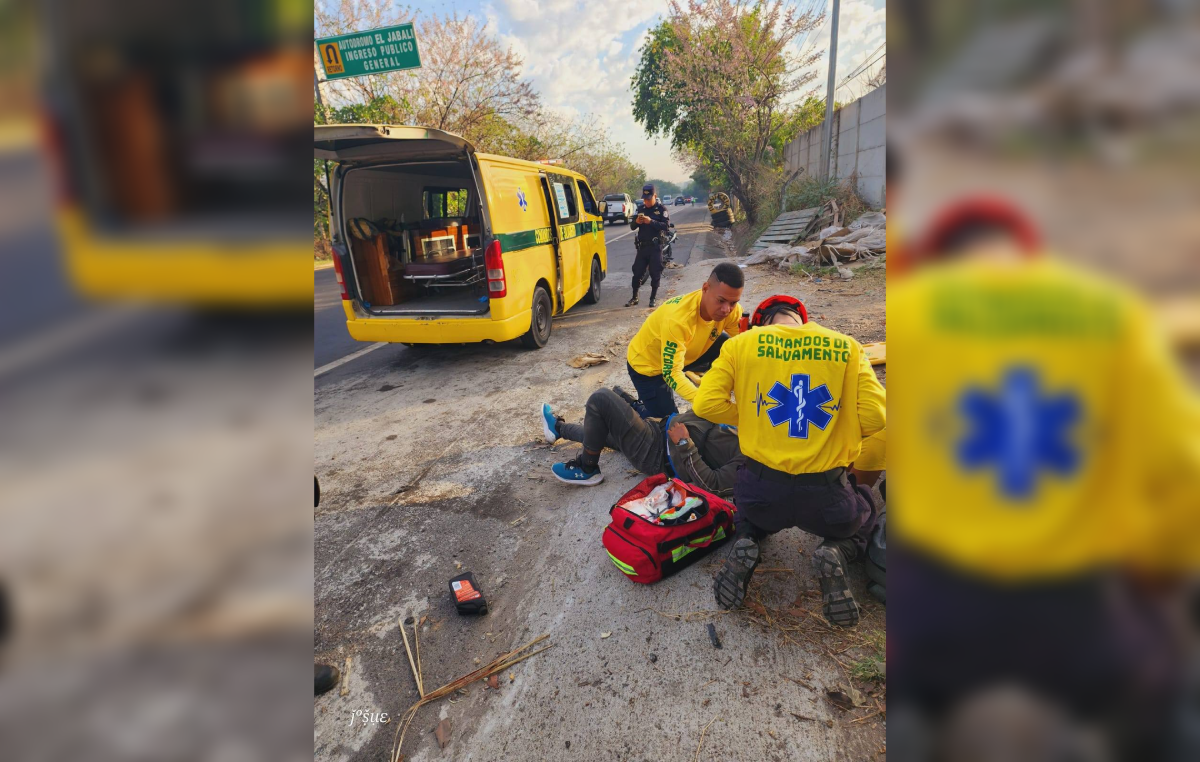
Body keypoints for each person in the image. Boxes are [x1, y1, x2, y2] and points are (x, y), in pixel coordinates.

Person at [693, 295, 887, 626]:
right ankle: (836, 551)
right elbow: (875, 417)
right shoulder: (847, 347)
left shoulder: (742, 344)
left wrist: (753, 418)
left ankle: (748, 541)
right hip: (827, 501)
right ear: (802, 318)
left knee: (745, 512)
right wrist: (838, 430)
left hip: (763, 496)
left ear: (762, 323)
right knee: (866, 505)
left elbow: (706, 405)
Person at [538, 389, 744, 493]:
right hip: (659, 429)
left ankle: (587, 468)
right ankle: (557, 429)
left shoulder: (752, 457)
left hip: (656, 452)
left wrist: (685, 445)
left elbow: (714, 485)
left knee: (601, 399)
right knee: (600, 433)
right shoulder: (752, 423)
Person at [625, 262, 745, 419]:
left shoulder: (732, 311)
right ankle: (632, 406)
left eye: (733, 302)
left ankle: (715, 383)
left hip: (683, 352)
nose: (726, 310)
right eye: (721, 300)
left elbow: (746, 346)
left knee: (729, 345)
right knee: (667, 421)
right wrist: (704, 402)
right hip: (649, 366)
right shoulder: (679, 320)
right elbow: (671, 372)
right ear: (705, 288)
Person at [626, 184, 671, 308]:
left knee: (655, 273)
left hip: (655, 247)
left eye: (648, 198)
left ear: (655, 196)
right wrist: (637, 222)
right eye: (644, 199)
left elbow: (665, 227)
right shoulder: (640, 209)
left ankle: (653, 298)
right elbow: (632, 227)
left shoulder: (662, 209)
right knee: (637, 272)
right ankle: (635, 297)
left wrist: (651, 221)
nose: (646, 201)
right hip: (642, 247)